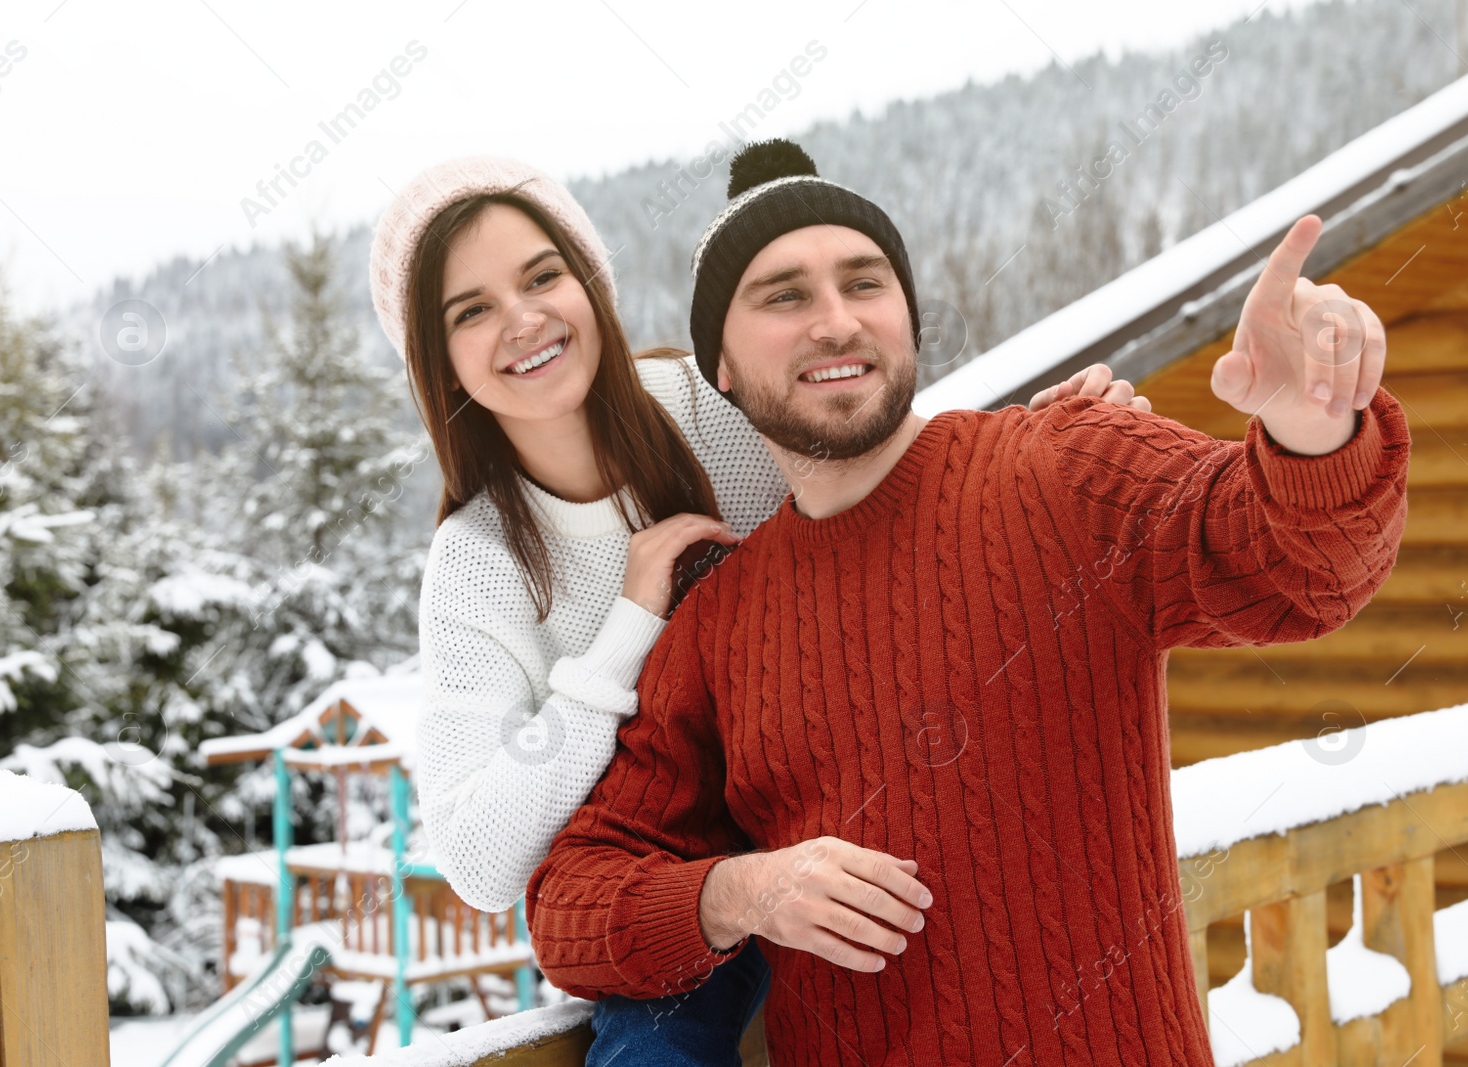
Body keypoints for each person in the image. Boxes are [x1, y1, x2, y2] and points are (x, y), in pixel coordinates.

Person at [525, 139, 1411, 1066]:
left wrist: (1312, 428)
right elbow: (571, 902)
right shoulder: (720, 622)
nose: (836, 321)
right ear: (724, 368)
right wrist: (738, 893)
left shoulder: (1063, 467)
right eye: (785, 295)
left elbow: (1300, 571)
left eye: (865, 283)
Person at [365, 155, 1149, 1065]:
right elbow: (478, 859)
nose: (525, 318)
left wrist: (1045, 439)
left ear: (589, 282)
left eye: (543, 276)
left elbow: (883, 468)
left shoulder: (711, 407)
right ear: (440, 360)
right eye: (472, 310)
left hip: (849, 808)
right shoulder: (480, 560)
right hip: (678, 886)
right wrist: (627, 630)